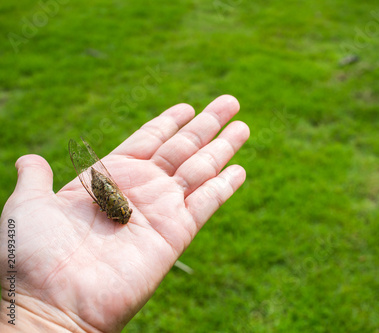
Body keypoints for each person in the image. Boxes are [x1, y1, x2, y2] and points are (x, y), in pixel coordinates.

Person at [0, 95, 250, 332]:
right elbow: (106, 204)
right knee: (102, 186)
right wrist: (35, 309)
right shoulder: (116, 210)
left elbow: (107, 205)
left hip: (104, 191)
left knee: (103, 188)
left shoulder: (115, 212)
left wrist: (33, 311)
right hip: (103, 189)